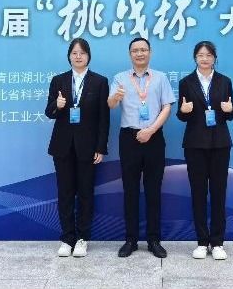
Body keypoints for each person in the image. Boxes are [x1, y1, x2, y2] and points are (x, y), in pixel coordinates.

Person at [108, 37, 175, 258]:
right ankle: (131, 240)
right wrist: (115, 98)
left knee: (154, 190)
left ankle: (154, 240)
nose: (139, 53)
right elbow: (110, 104)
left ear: (150, 53)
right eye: (135, 50)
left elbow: (167, 107)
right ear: (130, 55)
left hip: (154, 137)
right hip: (129, 138)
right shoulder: (120, 78)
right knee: (130, 190)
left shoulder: (161, 78)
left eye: (143, 50)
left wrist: (151, 130)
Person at [45, 38, 110, 257]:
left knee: (85, 193)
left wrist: (101, 147)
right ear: (69, 56)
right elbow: (49, 112)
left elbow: (104, 118)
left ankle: (82, 238)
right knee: (65, 193)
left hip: (88, 147)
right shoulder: (59, 80)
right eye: (74, 53)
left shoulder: (99, 82)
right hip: (62, 146)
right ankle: (67, 238)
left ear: (88, 56)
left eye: (82, 53)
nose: (78, 56)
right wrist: (57, 105)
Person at [176, 41, 233, 260]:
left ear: (214, 58)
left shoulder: (225, 81)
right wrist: (183, 111)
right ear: (195, 58)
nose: (204, 59)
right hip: (195, 144)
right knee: (198, 193)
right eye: (201, 55)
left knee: (219, 193)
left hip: (220, 144)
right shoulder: (186, 82)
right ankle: (202, 242)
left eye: (209, 55)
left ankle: (218, 242)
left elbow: (230, 113)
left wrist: (231, 109)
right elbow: (181, 116)